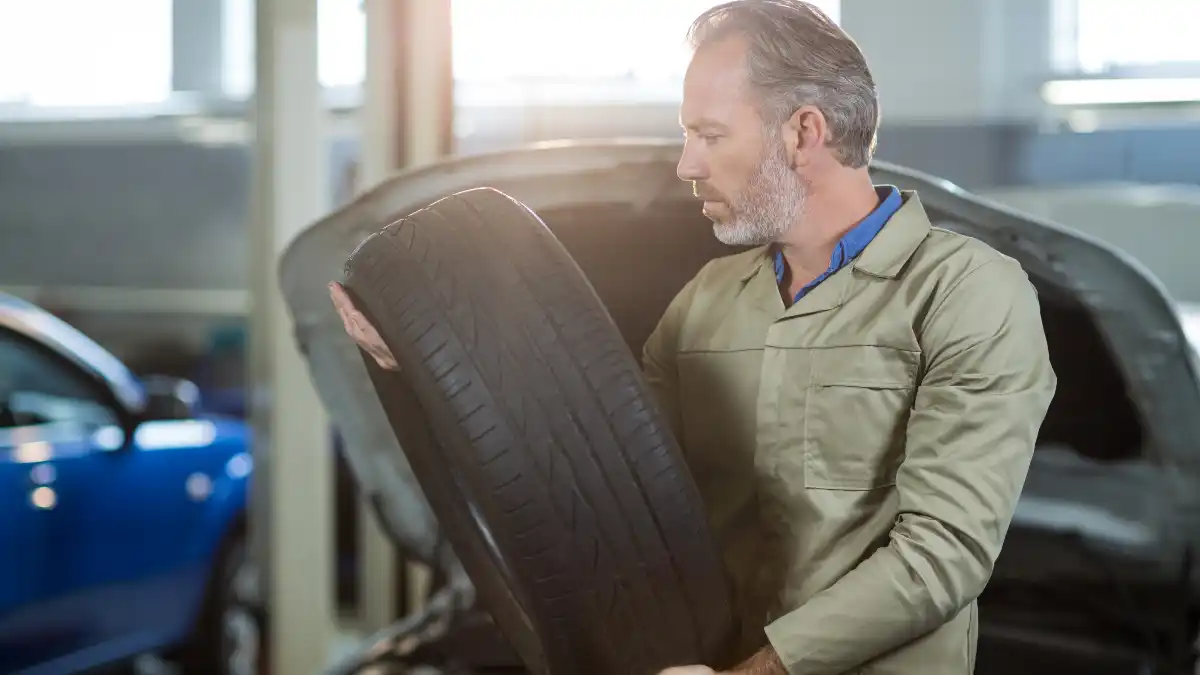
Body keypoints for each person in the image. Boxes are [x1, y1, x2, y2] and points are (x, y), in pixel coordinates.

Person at [329, 2, 1057, 674]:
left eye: (709, 135)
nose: (686, 164)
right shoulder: (705, 301)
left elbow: (943, 555)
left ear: (804, 132)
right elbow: (594, 476)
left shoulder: (968, 295)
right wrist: (426, 361)